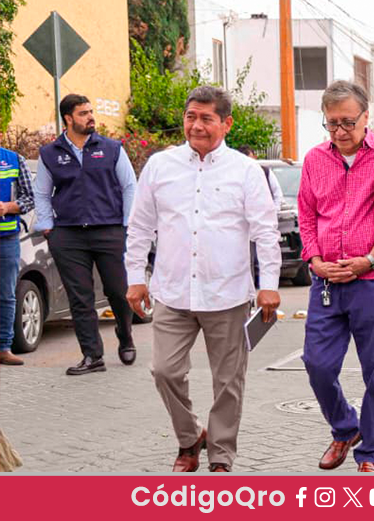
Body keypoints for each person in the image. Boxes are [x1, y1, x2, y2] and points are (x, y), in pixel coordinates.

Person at [125, 86, 282, 473]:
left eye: (206, 118)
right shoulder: (160, 167)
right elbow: (140, 226)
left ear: (226, 124)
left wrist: (270, 285)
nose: (196, 125)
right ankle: (190, 437)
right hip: (172, 292)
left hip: (227, 294)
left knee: (228, 381)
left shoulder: (246, 172)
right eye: (191, 116)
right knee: (164, 371)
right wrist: (134, 277)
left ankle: (221, 457)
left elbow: (265, 231)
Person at [298, 81, 374, 473]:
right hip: (326, 282)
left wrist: (371, 259)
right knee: (317, 364)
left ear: (365, 117)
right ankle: (345, 427)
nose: (340, 132)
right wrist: (314, 259)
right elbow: (306, 215)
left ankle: (369, 453)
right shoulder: (314, 160)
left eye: (347, 122)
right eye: (332, 124)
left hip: (373, 282)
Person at [34, 94, 138, 374]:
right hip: (68, 235)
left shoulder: (111, 148)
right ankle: (93, 355)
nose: (91, 117)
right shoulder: (50, 154)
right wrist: (47, 226)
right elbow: (42, 193)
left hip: (109, 230)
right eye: (83, 113)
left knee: (118, 291)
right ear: (68, 118)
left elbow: (129, 186)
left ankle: (125, 335)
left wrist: (127, 225)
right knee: (80, 298)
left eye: (91, 112)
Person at [0, 146, 34, 367]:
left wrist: (8, 207)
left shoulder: (14, 160)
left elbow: (30, 198)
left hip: (6, 239)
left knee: (6, 295)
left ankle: (4, 348)